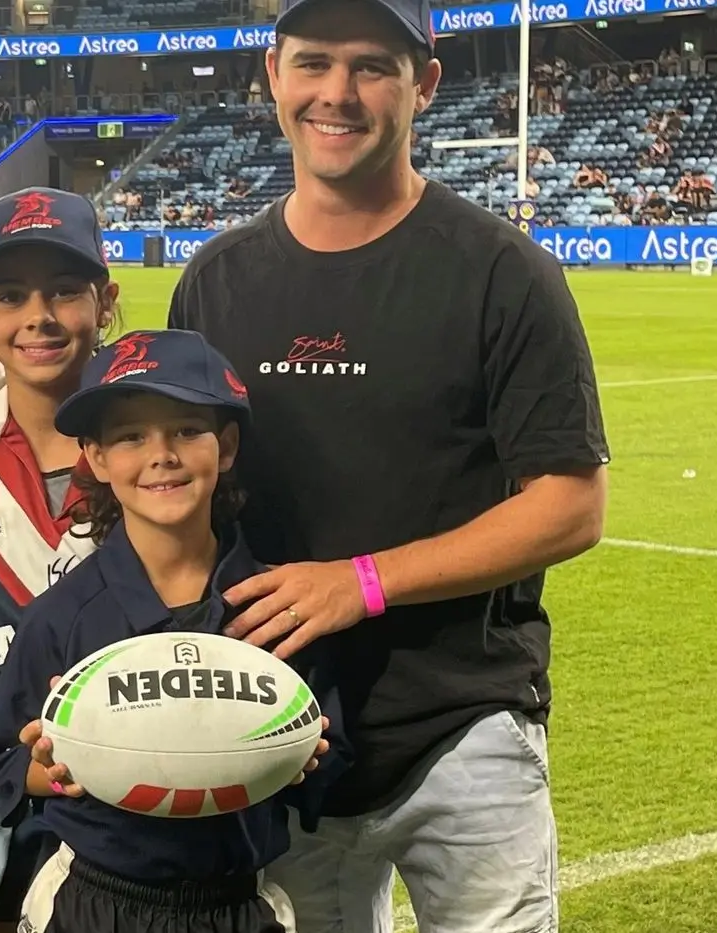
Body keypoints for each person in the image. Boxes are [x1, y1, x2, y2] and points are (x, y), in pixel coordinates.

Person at [166, 0, 610, 930]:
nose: (338, 92)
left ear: (425, 85)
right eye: (314, 62)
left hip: (465, 722)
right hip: (278, 722)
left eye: (372, 66)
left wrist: (363, 582)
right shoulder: (215, 280)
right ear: (272, 77)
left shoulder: (501, 271)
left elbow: (570, 503)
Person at [0, 329, 351, 933]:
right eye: (130, 436)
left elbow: (326, 765)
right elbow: (5, 760)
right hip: (92, 902)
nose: (161, 454)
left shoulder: (279, 603)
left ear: (225, 446)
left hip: (238, 904)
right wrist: (61, 765)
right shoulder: (63, 615)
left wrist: (304, 757)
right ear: (96, 459)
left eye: (185, 430)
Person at [0, 187, 120, 933]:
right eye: (9, 295)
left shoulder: (151, 445)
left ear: (104, 301)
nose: (38, 315)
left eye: (65, 290)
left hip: (129, 766)